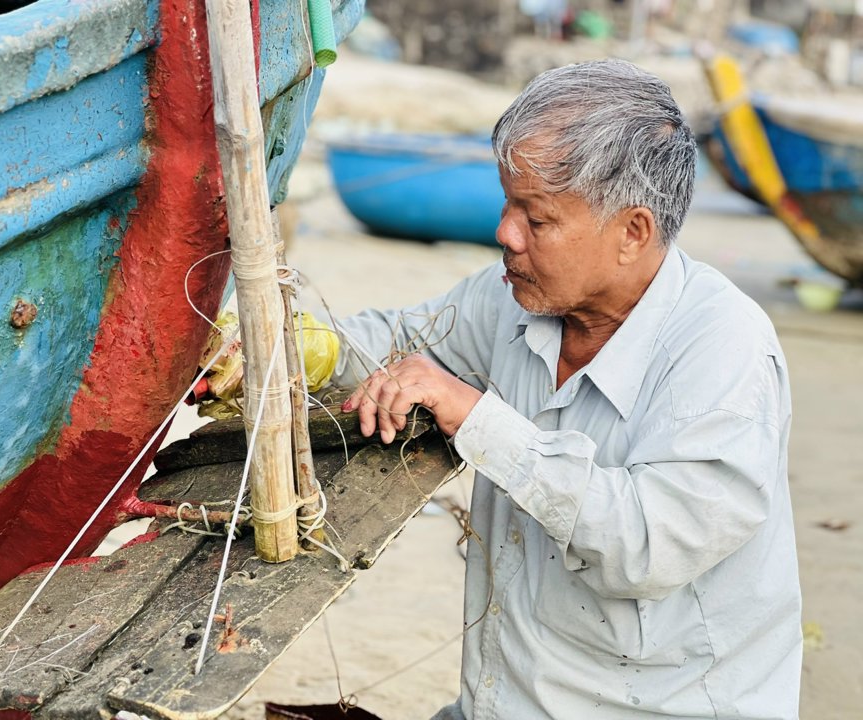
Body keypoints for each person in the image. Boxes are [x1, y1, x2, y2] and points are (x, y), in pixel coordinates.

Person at [334, 60, 802, 719]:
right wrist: (283, 345)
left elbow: (644, 545)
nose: (505, 233)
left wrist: (475, 417)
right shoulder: (514, 302)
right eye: (507, 204)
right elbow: (394, 342)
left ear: (632, 233)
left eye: (538, 219)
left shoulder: (725, 349)